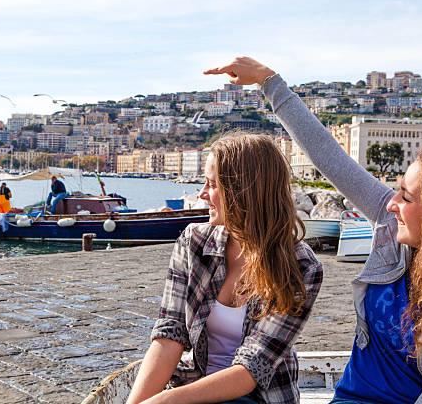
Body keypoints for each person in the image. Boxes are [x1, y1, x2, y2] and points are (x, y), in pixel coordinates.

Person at [204, 57, 422, 404]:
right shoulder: (389, 225)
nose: (392, 203)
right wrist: (267, 80)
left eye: (406, 197)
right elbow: (328, 155)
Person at [126, 134, 323, 404]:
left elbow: (252, 368)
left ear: (245, 192)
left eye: (212, 184)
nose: (202, 194)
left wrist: (165, 401)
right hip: (192, 388)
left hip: (257, 397)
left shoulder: (300, 267)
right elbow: (169, 335)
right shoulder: (193, 242)